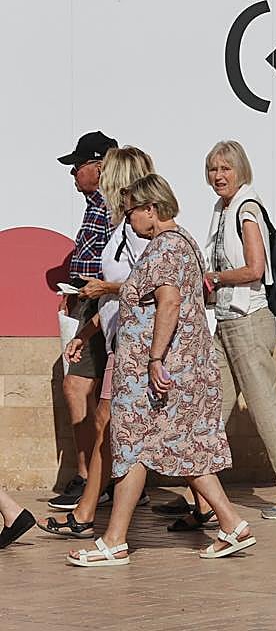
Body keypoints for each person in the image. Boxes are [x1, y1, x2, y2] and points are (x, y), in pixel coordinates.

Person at [68, 174, 254, 567]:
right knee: (165, 447)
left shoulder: (166, 248)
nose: (127, 220)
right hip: (174, 368)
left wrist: (154, 359)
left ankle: (115, 541)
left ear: (151, 209)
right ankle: (231, 525)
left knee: (138, 445)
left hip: (159, 372)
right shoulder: (181, 242)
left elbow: (167, 303)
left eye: (130, 211)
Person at [185, 140, 276, 523]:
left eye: (226, 168)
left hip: (248, 321)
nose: (218, 176)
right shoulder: (221, 210)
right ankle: (204, 500)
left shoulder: (246, 209)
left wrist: (214, 278)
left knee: (263, 408)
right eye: (213, 169)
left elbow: (255, 269)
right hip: (226, 320)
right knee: (209, 407)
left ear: (241, 171)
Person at [40, 146, 155, 539]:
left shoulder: (143, 231)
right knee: (114, 425)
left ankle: (222, 515)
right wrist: (87, 330)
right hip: (114, 333)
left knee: (138, 428)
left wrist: (104, 287)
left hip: (136, 342)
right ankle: (93, 516)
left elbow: (154, 285)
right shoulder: (123, 226)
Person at [50, 131, 117, 510]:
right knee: (90, 391)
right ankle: (107, 477)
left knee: (80, 388)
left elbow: (116, 264)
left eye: (78, 165)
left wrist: (86, 291)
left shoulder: (113, 206)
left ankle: (91, 477)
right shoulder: (96, 204)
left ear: (99, 166)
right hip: (90, 302)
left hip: (102, 304)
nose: (73, 173)